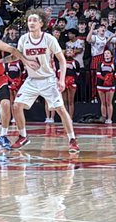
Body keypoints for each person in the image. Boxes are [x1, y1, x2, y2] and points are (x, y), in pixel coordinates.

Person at [11, 10, 78, 154]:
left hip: (48, 79)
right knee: (16, 106)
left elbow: (62, 60)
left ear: (41, 23)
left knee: (60, 109)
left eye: (34, 20)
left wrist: (61, 80)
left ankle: (72, 139)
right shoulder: (23, 39)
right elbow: (16, 57)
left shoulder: (49, 39)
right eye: (29, 20)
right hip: (31, 80)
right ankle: (23, 136)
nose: (31, 23)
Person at [96, 57, 116, 124]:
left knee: (109, 102)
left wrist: (110, 78)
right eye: (105, 54)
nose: (107, 55)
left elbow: (115, 74)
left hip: (110, 85)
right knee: (103, 102)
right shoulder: (100, 64)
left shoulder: (114, 64)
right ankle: (104, 118)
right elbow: (98, 74)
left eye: (108, 53)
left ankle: (110, 119)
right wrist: (105, 79)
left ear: (111, 55)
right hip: (101, 84)